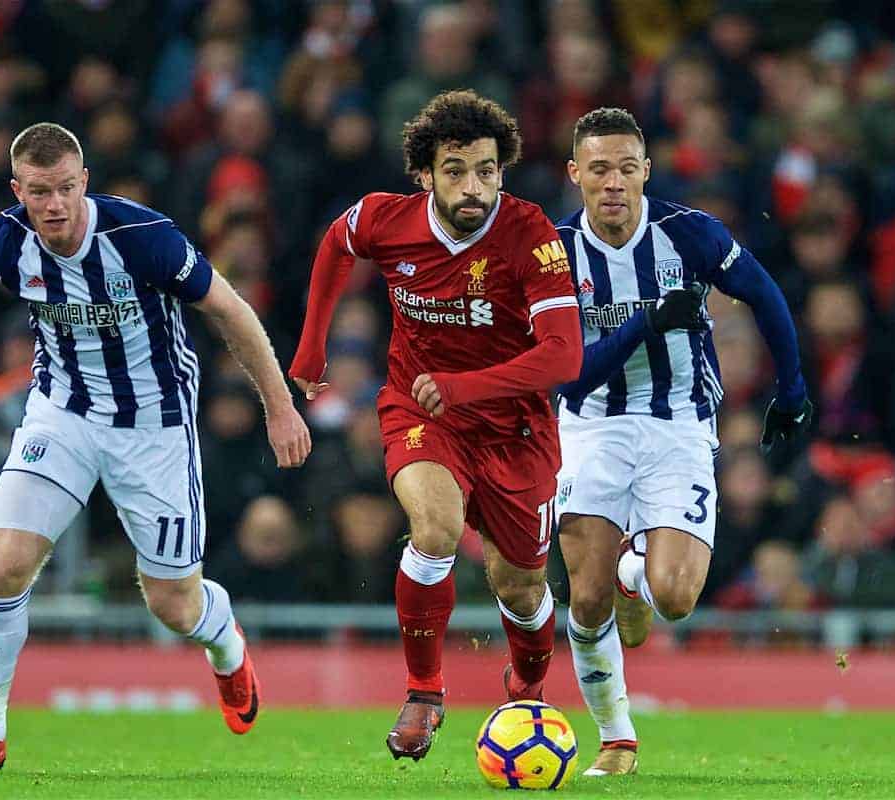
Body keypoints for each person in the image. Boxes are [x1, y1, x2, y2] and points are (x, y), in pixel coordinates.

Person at [0, 122, 311, 773]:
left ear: (84, 182)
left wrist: (280, 405)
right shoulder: (6, 241)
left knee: (172, 603)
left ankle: (225, 642)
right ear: (19, 190)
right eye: (39, 191)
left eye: (66, 188)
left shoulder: (141, 237)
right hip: (60, 415)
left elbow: (232, 312)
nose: (55, 205)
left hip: (153, 425)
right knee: (2, 566)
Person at [289, 90, 583, 761]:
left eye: (486, 170)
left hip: (516, 430)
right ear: (425, 174)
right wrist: (312, 345)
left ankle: (527, 683)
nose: (473, 185)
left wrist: (466, 386)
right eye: (455, 170)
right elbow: (339, 240)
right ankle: (424, 691)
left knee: (522, 587)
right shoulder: (387, 220)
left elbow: (564, 354)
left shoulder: (529, 233)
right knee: (435, 528)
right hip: (422, 412)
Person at [552, 108, 812, 777]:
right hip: (591, 426)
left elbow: (764, 292)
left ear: (646, 171)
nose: (614, 182)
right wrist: (646, 323)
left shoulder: (689, 234)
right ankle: (617, 738)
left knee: (674, 598)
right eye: (599, 168)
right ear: (575, 173)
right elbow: (573, 378)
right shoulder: (552, 253)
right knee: (584, 598)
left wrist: (793, 388)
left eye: (627, 167)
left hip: (679, 424)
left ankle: (635, 576)